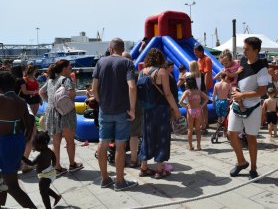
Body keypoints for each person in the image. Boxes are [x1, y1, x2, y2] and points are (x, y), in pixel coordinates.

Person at [92, 38, 137, 191]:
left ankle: (105, 179)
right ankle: (119, 181)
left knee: (103, 143)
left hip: (105, 110)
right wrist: (132, 109)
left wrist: (101, 103)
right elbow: (132, 87)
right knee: (120, 146)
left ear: (110, 48)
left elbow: (94, 88)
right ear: (122, 49)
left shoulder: (100, 62)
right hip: (122, 111)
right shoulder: (127, 63)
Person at [228, 37, 268, 180]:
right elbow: (237, 79)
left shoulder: (262, 68)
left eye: (247, 49)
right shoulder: (243, 62)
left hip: (253, 106)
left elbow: (262, 91)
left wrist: (242, 95)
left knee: (251, 138)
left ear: (256, 50)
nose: (243, 51)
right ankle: (241, 162)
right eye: (243, 48)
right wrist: (235, 89)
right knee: (231, 133)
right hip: (237, 104)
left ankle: (253, 168)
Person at [139, 48, 181, 179]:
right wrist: (176, 110)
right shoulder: (162, 71)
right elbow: (167, 94)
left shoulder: (142, 72)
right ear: (160, 59)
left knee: (147, 136)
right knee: (162, 138)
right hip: (161, 109)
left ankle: (143, 167)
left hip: (147, 109)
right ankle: (159, 170)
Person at [39, 59, 83, 177]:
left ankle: (57, 167)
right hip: (66, 113)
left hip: (52, 112)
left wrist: (51, 101)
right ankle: (72, 164)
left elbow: (41, 92)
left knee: (56, 142)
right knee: (70, 141)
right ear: (64, 69)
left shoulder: (50, 80)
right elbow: (72, 94)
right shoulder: (66, 80)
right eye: (69, 68)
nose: (71, 70)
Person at [0, 71, 36, 208]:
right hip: (16, 141)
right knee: (2, 179)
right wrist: (20, 144)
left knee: (12, 185)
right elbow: (29, 126)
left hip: (5, 143)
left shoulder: (2, 99)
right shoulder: (21, 102)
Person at [21, 132, 62, 209]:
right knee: (45, 189)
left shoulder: (40, 156)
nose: (33, 147)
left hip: (44, 176)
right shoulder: (50, 151)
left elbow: (31, 163)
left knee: (43, 193)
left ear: (40, 146)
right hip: (51, 173)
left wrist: (22, 157)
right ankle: (56, 197)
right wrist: (52, 166)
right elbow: (54, 159)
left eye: (34, 145)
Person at [179, 76, 209, 151]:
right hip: (198, 110)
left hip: (190, 111)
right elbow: (207, 98)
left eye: (185, 82)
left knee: (190, 129)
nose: (185, 83)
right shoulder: (198, 91)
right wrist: (201, 106)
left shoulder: (187, 92)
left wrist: (185, 106)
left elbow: (180, 102)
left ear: (188, 83)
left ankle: (190, 146)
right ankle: (198, 145)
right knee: (198, 129)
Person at [194, 44, 213, 132]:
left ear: (201, 51)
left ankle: (205, 123)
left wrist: (204, 86)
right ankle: (204, 122)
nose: (195, 54)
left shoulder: (207, 59)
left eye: (196, 52)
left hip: (203, 85)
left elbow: (207, 74)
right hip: (199, 84)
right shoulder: (199, 59)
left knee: (204, 104)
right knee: (201, 104)